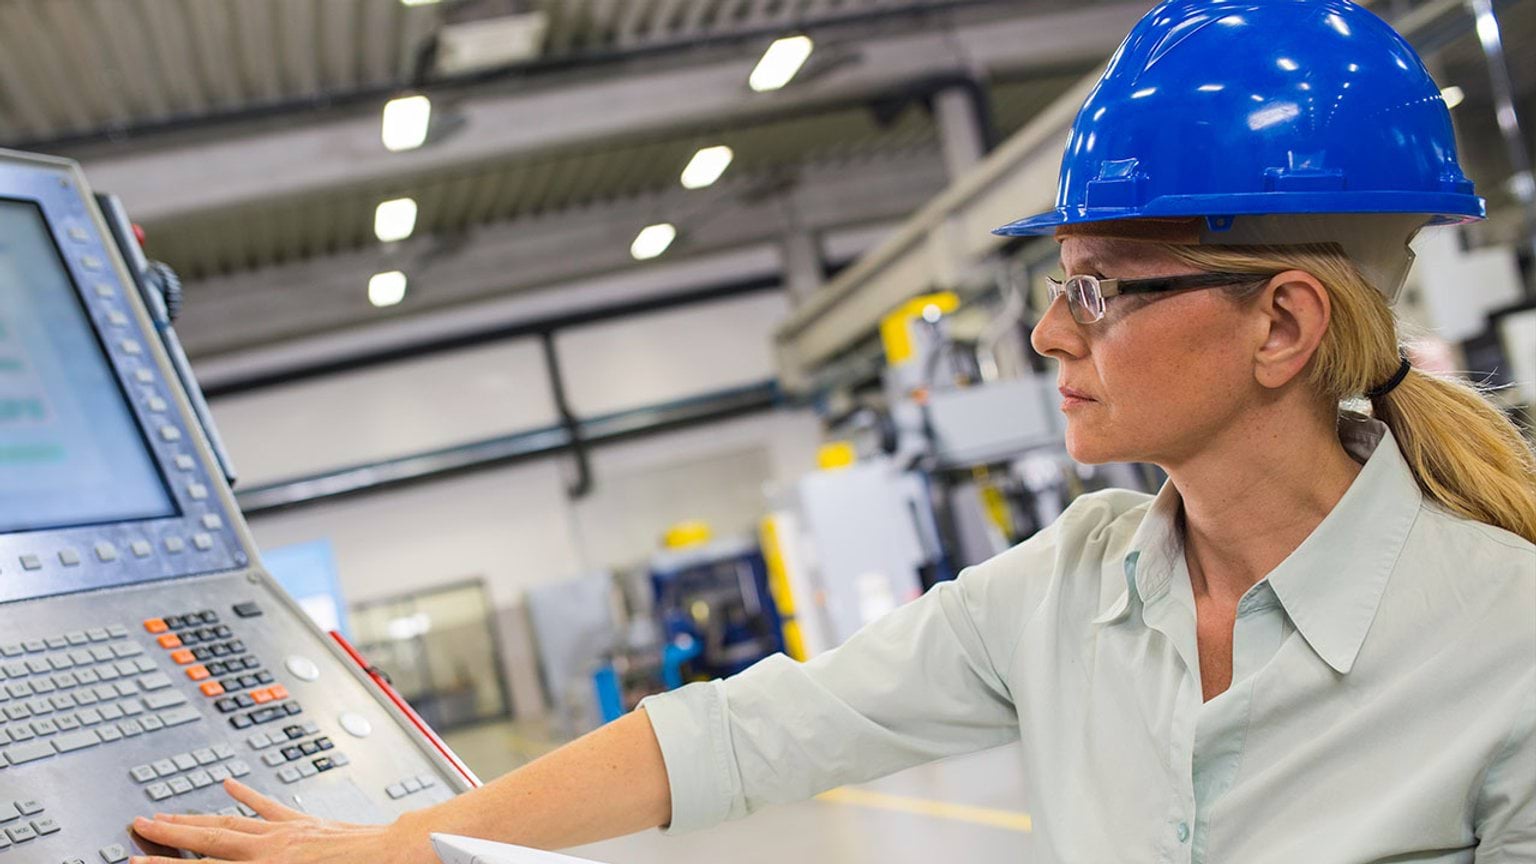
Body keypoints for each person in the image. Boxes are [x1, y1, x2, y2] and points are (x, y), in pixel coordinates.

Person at [129, 1, 1536, 862]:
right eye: (1056, 288)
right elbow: (751, 733)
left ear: (1283, 327)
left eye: (1102, 289)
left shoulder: (1504, 652)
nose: (1051, 333)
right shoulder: (1075, 586)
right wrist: (399, 847)